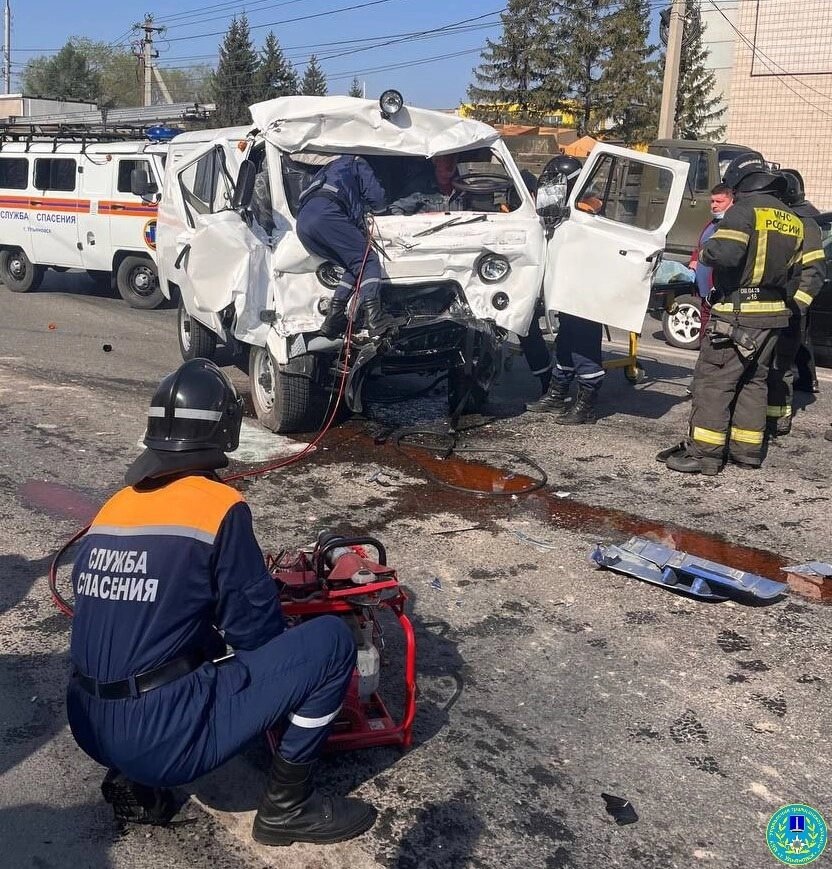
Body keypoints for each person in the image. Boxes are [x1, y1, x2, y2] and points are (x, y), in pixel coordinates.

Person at [66, 359, 376, 846]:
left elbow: (125, 611)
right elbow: (256, 636)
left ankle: (134, 771)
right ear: (226, 430)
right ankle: (287, 810)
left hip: (89, 726)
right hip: (159, 738)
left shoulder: (115, 506)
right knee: (331, 643)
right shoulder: (217, 507)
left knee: (169, 638)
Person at [658, 154, 803, 475]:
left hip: (737, 315)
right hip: (773, 315)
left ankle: (704, 455)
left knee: (714, 383)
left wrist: (708, 249)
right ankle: (747, 452)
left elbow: (725, 253)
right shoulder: (790, 218)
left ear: (739, 182)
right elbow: (796, 274)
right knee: (755, 382)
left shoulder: (743, 212)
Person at [296, 154, 391, 338]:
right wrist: (382, 210)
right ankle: (374, 317)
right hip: (327, 214)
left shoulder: (327, 168)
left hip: (304, 224)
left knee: (354, 265)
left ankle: (334, 317)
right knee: (367, 259)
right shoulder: (356, 161)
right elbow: (378, 200)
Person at [766, 169, 827, 436]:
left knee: (781, 366)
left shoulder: (805, 224)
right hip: (764, 307)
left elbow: (814, 272)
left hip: (789, 309)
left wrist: (796, 307)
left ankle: (778, 418)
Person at [689, 184, 735, 339]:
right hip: (705, 293)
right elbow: (701, 246)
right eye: (712, 201)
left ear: (731, 201)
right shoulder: (712, 223)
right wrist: (694, 261)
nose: (714, 205)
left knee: (712, 334)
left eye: (719, 202)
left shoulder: (731, 224)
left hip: (718, 293)